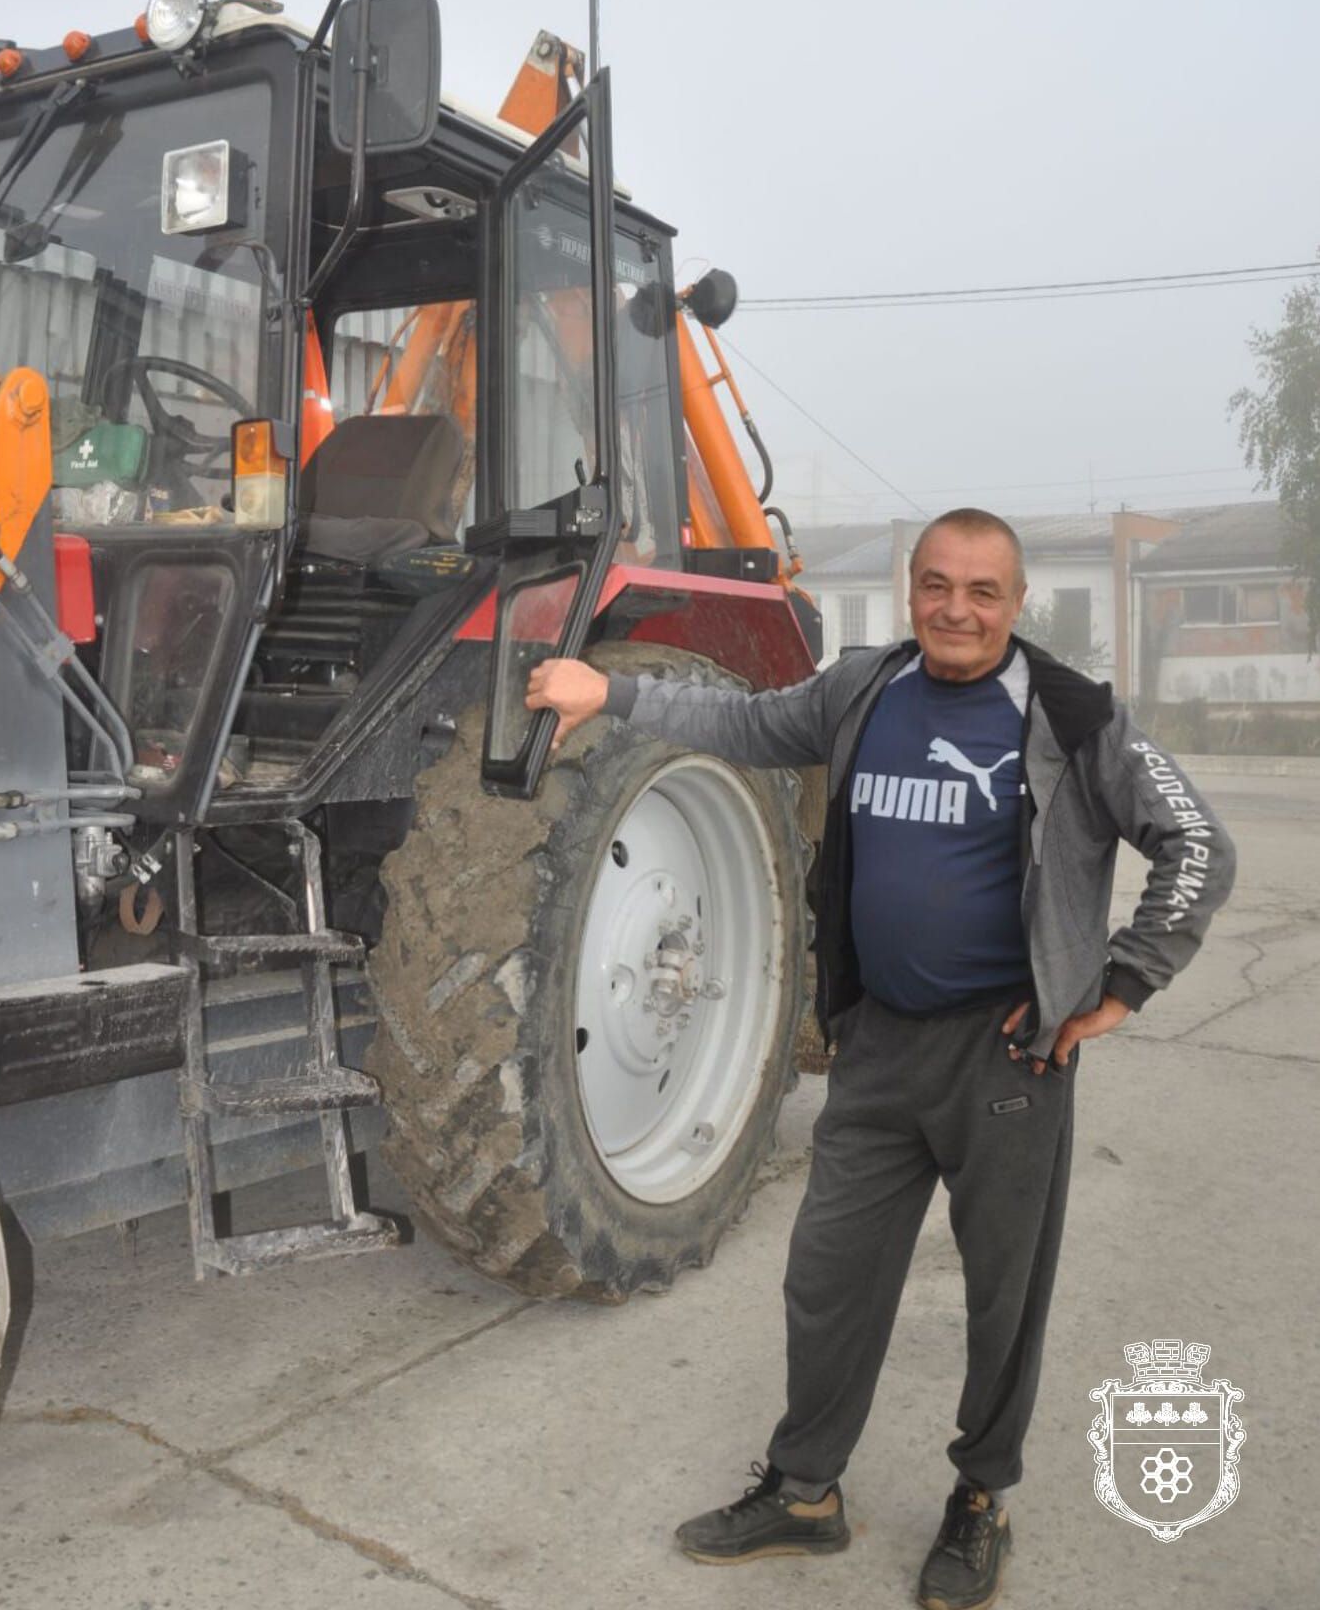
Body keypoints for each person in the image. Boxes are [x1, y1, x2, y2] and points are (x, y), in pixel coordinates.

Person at [524, 507, 1236, 1610]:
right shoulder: (864, 689)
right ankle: (805, 1491)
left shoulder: (1071, 715)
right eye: (937, 585)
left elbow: (1197, 843)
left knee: (1003, 1298)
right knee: (826, 1281)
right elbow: (743, 720)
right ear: (913, 590)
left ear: (1015, 602)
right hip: (878, 1046)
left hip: (1007, 1060)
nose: (957, 609)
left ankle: (980, 1498)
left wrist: (1119, 986)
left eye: (982, 591)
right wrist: (605, 692)